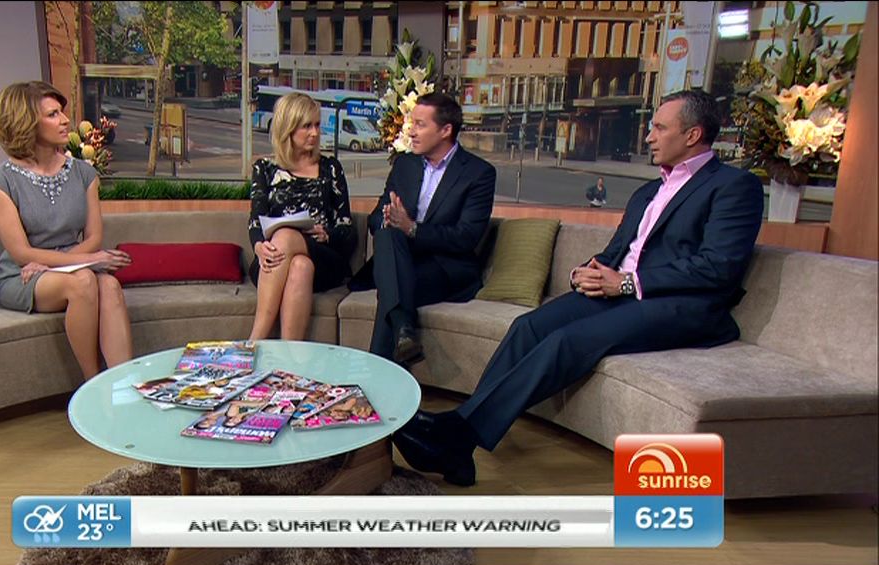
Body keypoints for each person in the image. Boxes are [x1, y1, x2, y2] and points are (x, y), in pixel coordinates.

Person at [393, 89, 764, 487]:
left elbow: (718, 266)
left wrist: (627, 282)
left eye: (659, 128)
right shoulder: (648, 191)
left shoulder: (733, 186)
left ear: (692, 135)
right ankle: (460, 445)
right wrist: (587, 271)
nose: (649, 136)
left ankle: (457, 436)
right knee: (528, 327)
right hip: (622, 291)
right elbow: (619, 251)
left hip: (681, 305)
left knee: (566, 341)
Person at [0, 81, 133, 381]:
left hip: (70, 265)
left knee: (109, 286)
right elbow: (21, 254)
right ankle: (92, 385)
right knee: (83, 282)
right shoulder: (1, 181)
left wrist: (58, 263)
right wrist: (89, 261)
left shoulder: (84, 173)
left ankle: (123, 383)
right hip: (22, 275)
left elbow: (93, 238)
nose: (66, 120)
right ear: (26, 122)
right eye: (53, 114)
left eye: (62, 112)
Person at [360, 92, 497, 364]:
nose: (411, 131)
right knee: (387, 233)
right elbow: (375, 218)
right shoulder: (405, 164)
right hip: (399, 257)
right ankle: (403, 333)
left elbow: (466, 237)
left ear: (446, 130)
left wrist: (412, 228)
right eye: (412, 123)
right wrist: (388, 219)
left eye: (420, 125)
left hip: (444, 268)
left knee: (392, 290)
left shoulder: (479, 174)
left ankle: (380, 370)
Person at [248, 92, 356, 341]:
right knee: (299, 266)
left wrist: (326, 234)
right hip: (274, 260)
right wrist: (258, 247)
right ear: (288, 128)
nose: (315, 133)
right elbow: (256, 220)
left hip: (323, 257)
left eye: (317, 125)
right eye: (306, 126)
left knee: (286, 237)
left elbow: (347, 228)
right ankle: (290, 357)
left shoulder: (330, 168)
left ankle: (253, 342)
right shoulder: (264, 169)